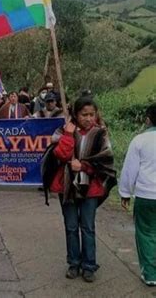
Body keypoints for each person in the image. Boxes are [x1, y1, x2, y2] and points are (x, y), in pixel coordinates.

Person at [43, 97, 116, 283]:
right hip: (66, 187)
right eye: (84, 114)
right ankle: (74, 263)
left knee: (88, 227)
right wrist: (68, 134)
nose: (88, 118)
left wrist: (83, 166)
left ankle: (89, 265)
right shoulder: (62, 131)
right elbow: (60, 154)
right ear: (75, 114)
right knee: (71, 227)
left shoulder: (101, 134)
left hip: (90, 188)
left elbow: (105, 158)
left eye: (92, 114)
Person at [119, 103, 156, 286]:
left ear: (148, 119)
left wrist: (125, 193)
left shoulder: (140, 140)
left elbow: (129, 170)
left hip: (147, 195)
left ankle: (150, 274)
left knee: (146, 233)